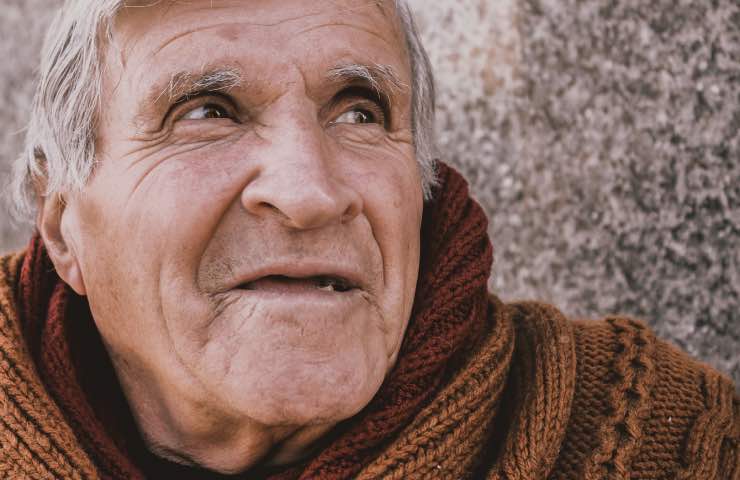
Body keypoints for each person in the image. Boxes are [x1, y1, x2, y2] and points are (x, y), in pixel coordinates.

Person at [0, 0, 737, 478]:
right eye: (207, 111)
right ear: (65, 228)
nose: (310, 191)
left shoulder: (664, 440)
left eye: (360, 112)